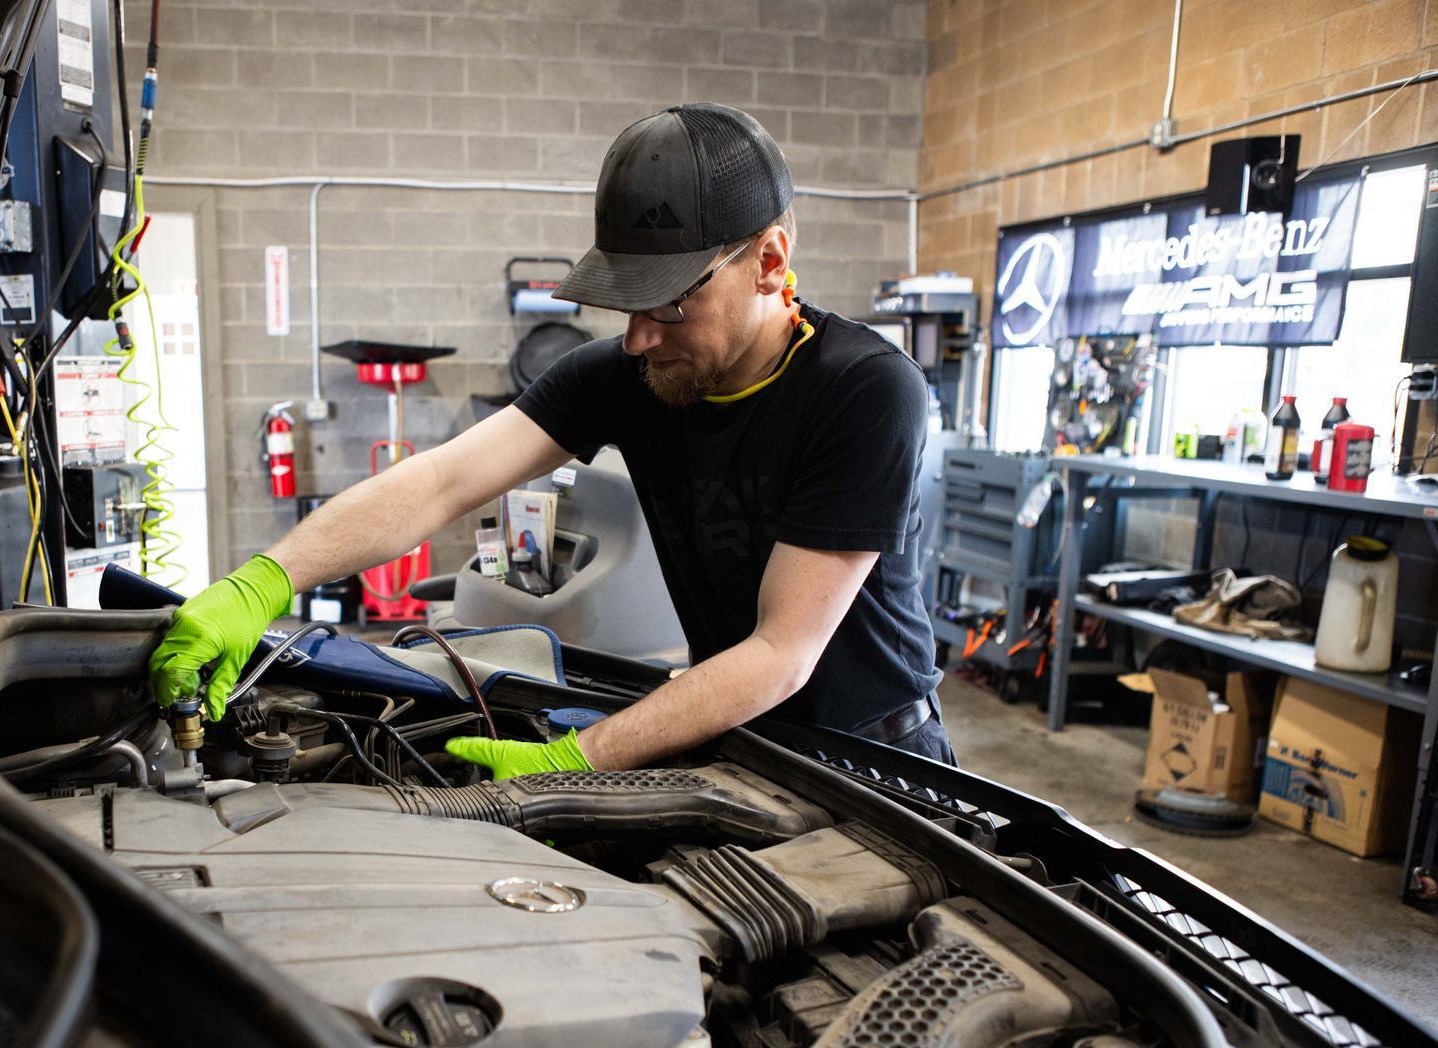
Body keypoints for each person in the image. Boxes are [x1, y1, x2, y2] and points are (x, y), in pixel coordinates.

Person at [149, 102, 950, 776]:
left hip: (874, 766)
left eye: (665, 302)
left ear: (770, 260)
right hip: (738, 741)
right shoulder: (629, 375)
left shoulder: (865, 391)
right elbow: (441, 482)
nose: (636, 338)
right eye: (621, 303)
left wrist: (575, 760)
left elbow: (781, 652)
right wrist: (263, 582)